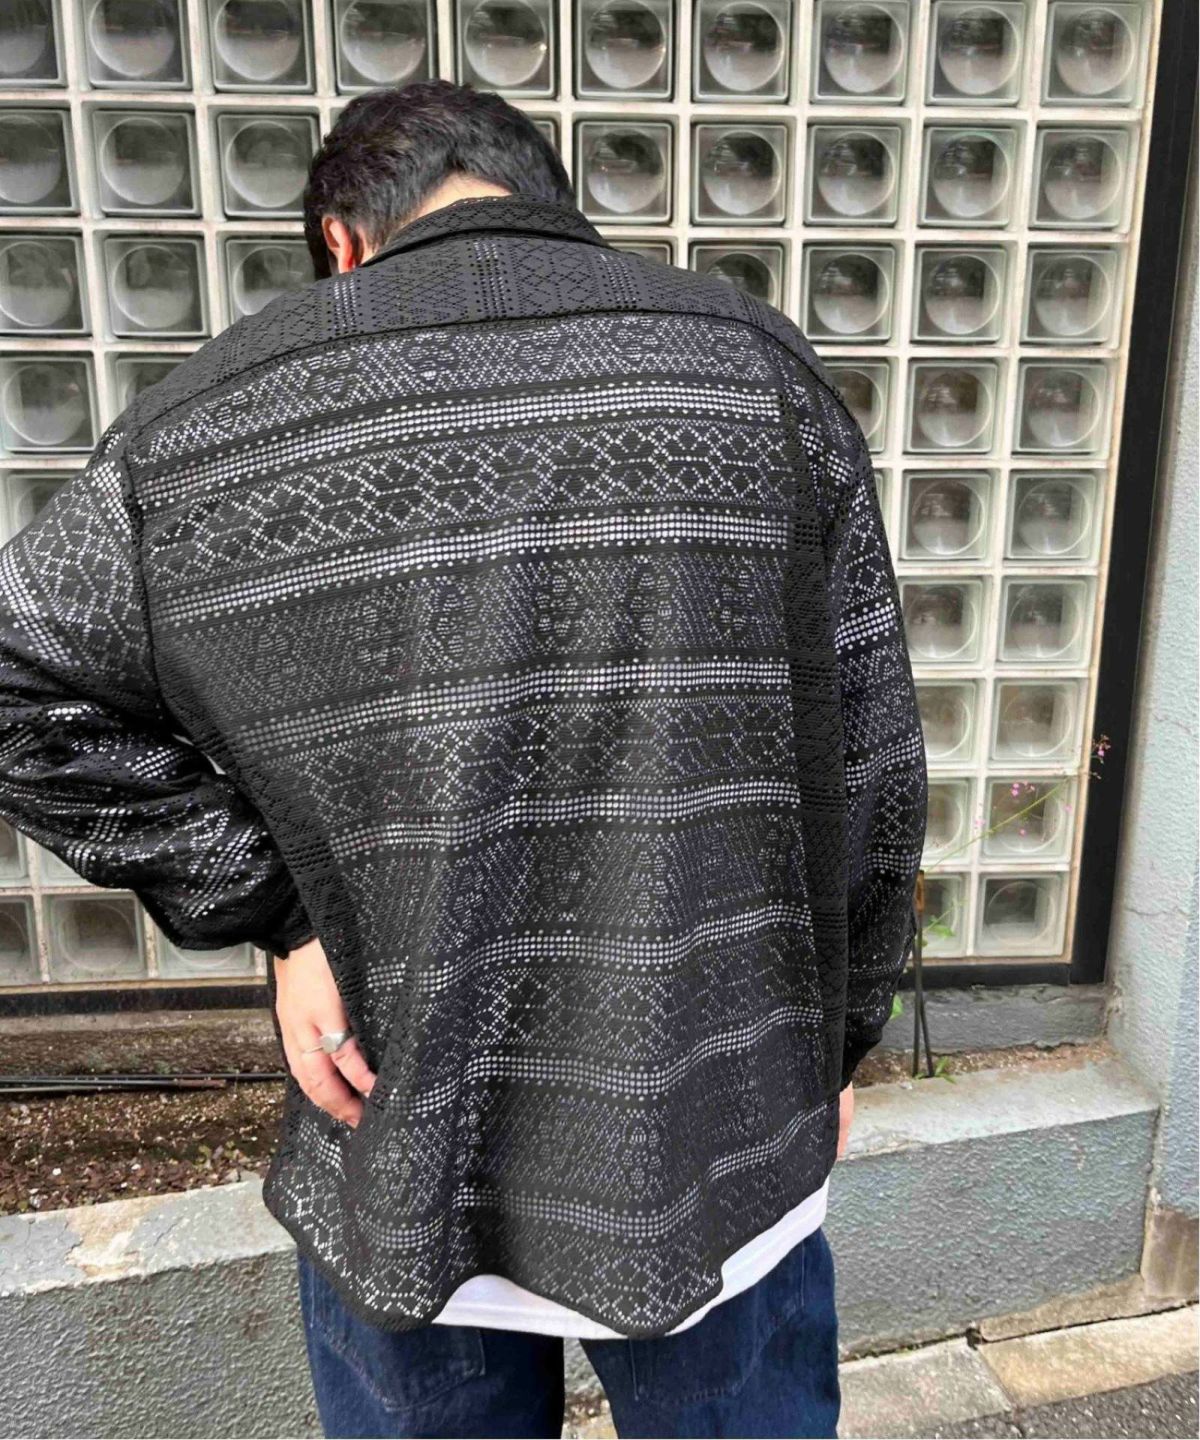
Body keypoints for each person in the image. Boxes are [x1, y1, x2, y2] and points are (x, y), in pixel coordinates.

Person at [0, 79, 927, 1439]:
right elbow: (868, 763)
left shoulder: (211, 427)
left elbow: (20, 680)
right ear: (543, 199)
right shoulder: (755, 376)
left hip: (401, 1138)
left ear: (342, 239)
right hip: (717, 1130)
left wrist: (280, 914)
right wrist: (835, 1040)